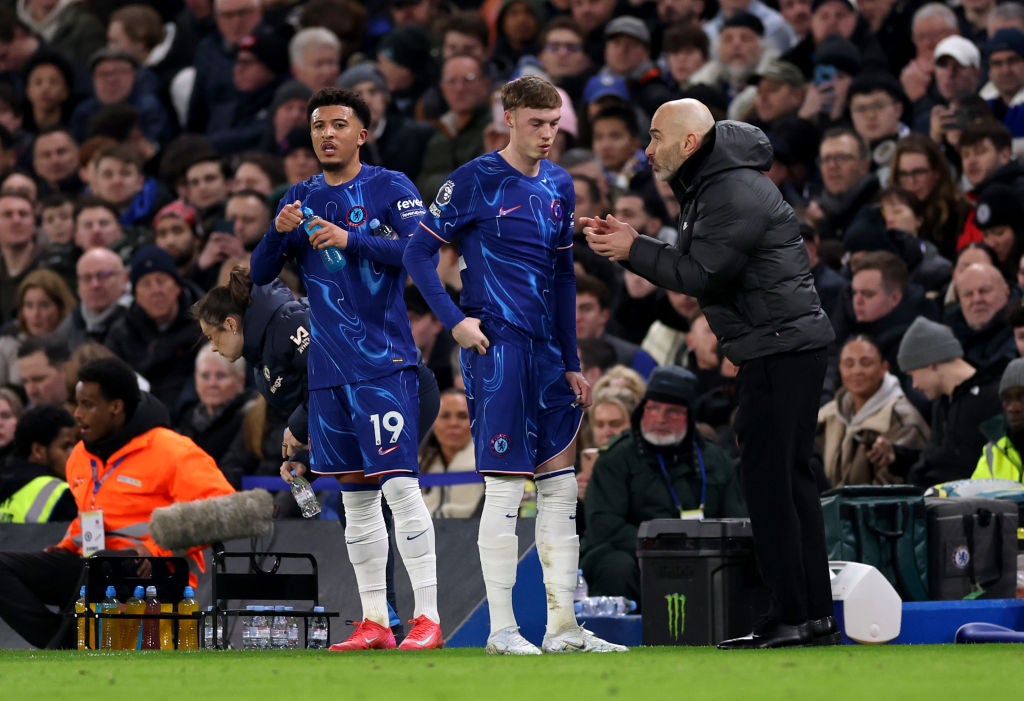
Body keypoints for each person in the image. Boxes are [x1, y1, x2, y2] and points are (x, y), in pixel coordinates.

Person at [582, 98, 838, 648]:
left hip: (778, 349)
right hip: (779, 346)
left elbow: (702, 273)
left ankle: (793, 615)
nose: (645, 150)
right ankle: (809, 615)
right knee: (788, 486)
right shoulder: (716, 182)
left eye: (654, 137)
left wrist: (633, 249)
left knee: (771, 487)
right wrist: (637, 243)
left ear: (690, 143)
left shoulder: (729, 189)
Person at [404, 74, 627, 655]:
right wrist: (454, 320)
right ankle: (502, 628)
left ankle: (563, 628)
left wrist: (573, 360)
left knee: (557, 488)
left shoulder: (558, 184)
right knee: (504, 488)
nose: (548, 135)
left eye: (555, 124)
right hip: (495, 348)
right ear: (510, 118)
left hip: (548, 356)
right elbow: (417, 251)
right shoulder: (474, 179)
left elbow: (560, 277)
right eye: (537, 123)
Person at [249, 87, 442, 652]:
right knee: (354, 498)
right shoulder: (300, 194)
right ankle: (375, 621)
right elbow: (261, 271)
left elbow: (419, 251)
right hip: (329, 372)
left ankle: (427, 616)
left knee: (400, 486)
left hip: (383, 364)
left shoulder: (390, 187)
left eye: (338, 124)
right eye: (318, 126)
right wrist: (277, 231)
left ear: (362, 133)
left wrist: (349, 238)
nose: (326, 134)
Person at [0, 356, 235, 648]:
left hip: (153, 573)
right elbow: (91, 518)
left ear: (116, 406)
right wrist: (63, 549)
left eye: (87, 404)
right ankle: (64, 643)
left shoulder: (172, 450)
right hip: (92, 565)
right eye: (76, 403)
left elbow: (224, 509)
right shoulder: (80, 457)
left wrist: (156, 549)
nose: (77, 414)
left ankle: (66, 642)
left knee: (97, 565)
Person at [582, 366, 746, 604]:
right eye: (653, 408)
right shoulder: (617, 457)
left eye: (672, 412)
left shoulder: (715, 459)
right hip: (633, 552)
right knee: (615, 566)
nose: (659, 419)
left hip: (703, 554)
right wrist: (662, 547)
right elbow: (604, 525)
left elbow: (735, 520)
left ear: (689, 416)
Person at [816, 335, 930, 487]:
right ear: (840, 369)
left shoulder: (903, 419)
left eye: (866, 363)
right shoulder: (826, 416)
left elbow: (890, 490)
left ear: (884, 368)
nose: (857, 371)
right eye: (849, 364)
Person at [0, 404, 77, 523]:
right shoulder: (61, 494)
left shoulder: (5, 478)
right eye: (66, 446)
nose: (74, 453)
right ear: (38, 451)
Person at [418, 388, 482, 518]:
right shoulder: (417, 464)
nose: (453, 423)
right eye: (445, 416)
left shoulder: (490, 463)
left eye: (463, 416)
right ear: (433, 421)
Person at [972, 357, 1024, 480]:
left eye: (1022, 397)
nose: (1013, 407)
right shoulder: (994, 451)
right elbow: (975, 495)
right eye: (1007, 399)